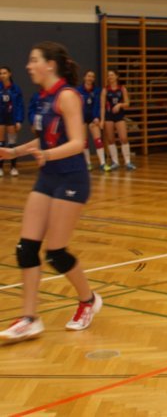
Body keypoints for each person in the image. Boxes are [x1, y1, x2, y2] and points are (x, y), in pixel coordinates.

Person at [0, 41, 103, 342]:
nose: (29, 66)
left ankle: (88, 300)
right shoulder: (42, 98)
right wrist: (14, 151)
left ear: (50, 65)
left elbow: (78, 142)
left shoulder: (67, 96)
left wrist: (48, 155)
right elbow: (45, 140)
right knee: (26, 248)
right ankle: (30, 318)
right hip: (48, 178)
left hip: (71, 178)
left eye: (34, 60)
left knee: (56, 253)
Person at [100, 69, 135, 171]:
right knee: (111, 140)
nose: (110, 77)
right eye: (108, 75)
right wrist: (102, 120)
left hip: (119, 116)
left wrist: (120, 105)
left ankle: (127, 162)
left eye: (112, 75)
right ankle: (115, 162)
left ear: (117, 76)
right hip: (109, 116)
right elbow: (102, 107)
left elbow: (127, 103)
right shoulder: (105, 90)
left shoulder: (122, 88)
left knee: (123, 138)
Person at [76, 70, 106, 171]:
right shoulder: (78, 90)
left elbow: (97, 105)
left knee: (98, 140)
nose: (90, 78)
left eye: (92, 76)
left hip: (93, 118)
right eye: (88, 76)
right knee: (84, 142)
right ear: (84, 77)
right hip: (83, 118)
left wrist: (96, 117)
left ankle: (103, 163)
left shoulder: (97, 90)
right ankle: (88, 163)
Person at [0, 66, 25, 177]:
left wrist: (19, 120)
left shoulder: (16, 89)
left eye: (4, 73)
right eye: (0, 73)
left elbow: (20, 105)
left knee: (12, 143)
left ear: (9, 74)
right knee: (1, 143)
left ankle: (13, 167)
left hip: (11, 118)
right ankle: (0, 167)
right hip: (1, 118)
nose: (2, 75)